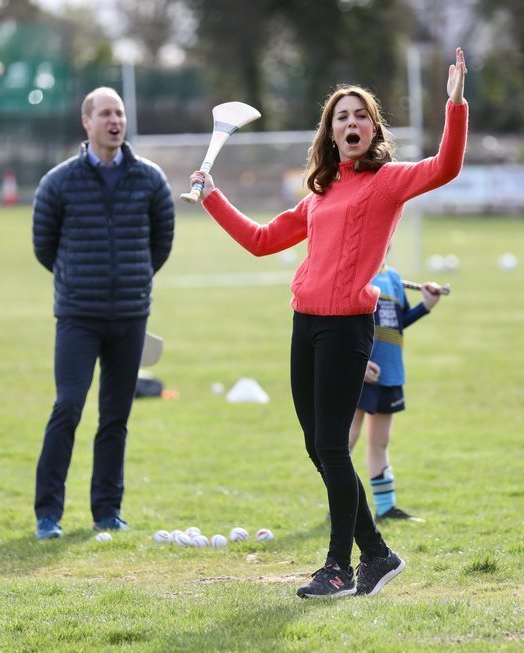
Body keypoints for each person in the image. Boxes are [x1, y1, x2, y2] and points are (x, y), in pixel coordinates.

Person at [189, 48, 468, 598]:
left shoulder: (387, 181)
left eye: (360, 114)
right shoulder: (319, 193)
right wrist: (213, 197)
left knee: (334, 449)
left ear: (372, 128)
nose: (351, 122)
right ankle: (380, 555)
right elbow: (262, 241)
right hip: (305, 324)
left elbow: (446, 166)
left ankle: (338, 567)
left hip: (347, 327)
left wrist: (455, 105)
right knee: (320, 449)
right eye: (342, 116)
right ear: (331, 133)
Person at [32, 87, 175, 540]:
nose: (115, 121)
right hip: (78, 315)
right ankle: (48, 515)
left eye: (120, 113)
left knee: (116, 416)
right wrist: (80, 280)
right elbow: (44, 246)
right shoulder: (58, 182)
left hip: (130, 316)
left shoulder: (150, 179)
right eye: (106, 114)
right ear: (87, 122)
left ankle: (107, 511)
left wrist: (132, 279)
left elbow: (162, 242)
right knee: (68, 406)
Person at [348, 264, 443, 523]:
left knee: (380, 441)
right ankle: (340, 505)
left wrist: (426, 305)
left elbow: (399, 323)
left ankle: (386, 508)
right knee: (347, 440)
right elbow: (344, 325)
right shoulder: (358, 273)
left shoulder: (392, 278)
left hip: (389, 371)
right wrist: (357, 361)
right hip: (360, 369)